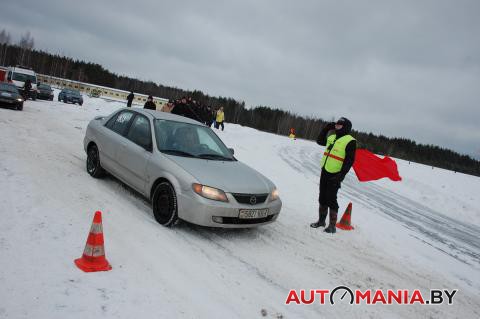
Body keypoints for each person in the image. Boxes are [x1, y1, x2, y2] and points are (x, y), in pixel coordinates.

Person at [310, 117, 356, 233]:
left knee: (331, 199)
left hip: (336, 174)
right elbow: (320, 141)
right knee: (322, 197)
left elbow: (349, 161)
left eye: (339, 125)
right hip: (325, 170)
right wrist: (326, 129)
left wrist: (341, 175)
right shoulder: (332, 137)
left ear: (345, 127)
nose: (336, 127)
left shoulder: (350, 141)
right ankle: (321, 221)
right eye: (336, 125)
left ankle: (332, 226)